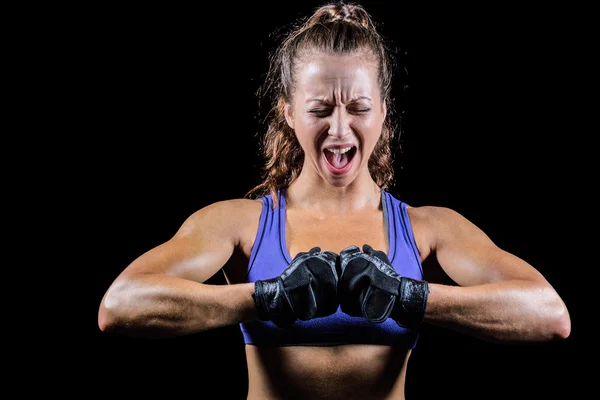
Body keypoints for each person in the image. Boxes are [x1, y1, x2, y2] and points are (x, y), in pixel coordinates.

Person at [97, 2, 571, 399]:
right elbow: (121, 304)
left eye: (359, 108)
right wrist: (265, 297)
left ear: (383, 111)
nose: (340, 129)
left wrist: (412, 297)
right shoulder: (240, 224)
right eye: (319, 109)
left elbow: (548, 314)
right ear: (287, 112)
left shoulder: (428, 228)